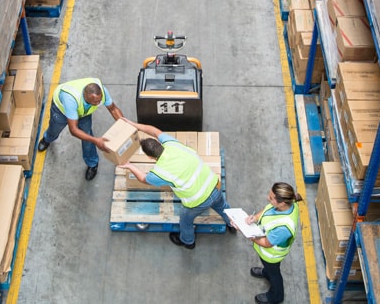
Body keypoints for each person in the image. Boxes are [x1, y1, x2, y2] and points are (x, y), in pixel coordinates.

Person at [118, 119, 234, 249]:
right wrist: (134, 125)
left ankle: (188, 241)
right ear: (159, 144)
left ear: (150, 157)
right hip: (215, 186)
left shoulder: (159, 172)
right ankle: (232, 224)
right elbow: (154, 131)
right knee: (223, 206)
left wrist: (129, 166)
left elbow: (143, 179)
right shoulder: (172, 144)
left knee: (185, 220)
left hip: (199, 201)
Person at [37, 78, 124, 181]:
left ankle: (92, 163)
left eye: (99, 100)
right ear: (86, 97)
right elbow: (73, 130)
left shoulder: (101, 92)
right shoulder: (71, 100)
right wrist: (96, 141)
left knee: (87, 136)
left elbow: (113, 109)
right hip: (62, 111)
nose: (99, 103)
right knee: (54, 129)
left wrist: (125, 126)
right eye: (95, 102)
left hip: (83, 112)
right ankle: (47, 139)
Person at [243, 182, 302, 304]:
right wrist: (255, 218)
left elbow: (266, 243)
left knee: (274, 274)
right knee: (270, 270)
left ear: (282, 203)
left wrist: (250, 235)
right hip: (265, 253)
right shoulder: (285, 204)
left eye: (271, 198)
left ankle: (276, 296)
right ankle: (266, 272)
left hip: (271, 256)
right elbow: (266, 210)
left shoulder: (283, 228)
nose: (267, 198)